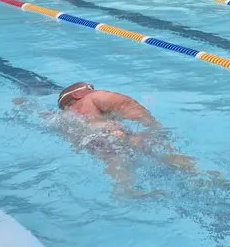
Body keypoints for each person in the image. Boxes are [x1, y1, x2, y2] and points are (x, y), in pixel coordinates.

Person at [54, 82, 195, 192]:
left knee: (115, 160)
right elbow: (125, 104)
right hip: (113, 134)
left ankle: (126, 190)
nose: (93, 89)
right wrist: (152, 125)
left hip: (94, 141)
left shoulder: (64, 118)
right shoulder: (92, 98)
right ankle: (196, 173)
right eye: (90, 87)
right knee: (159, 149)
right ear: (78, 94)